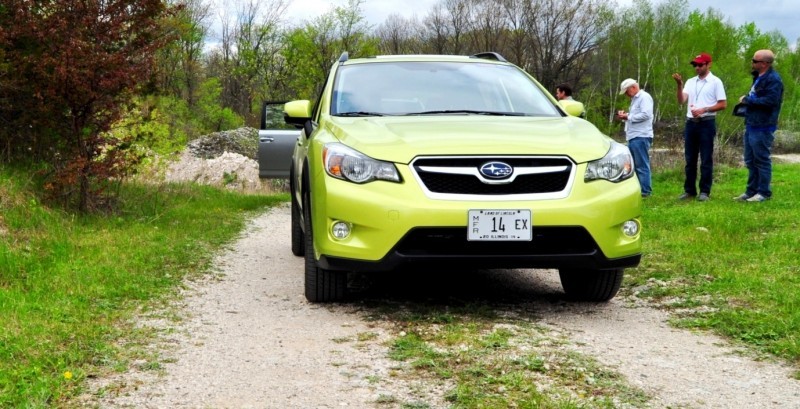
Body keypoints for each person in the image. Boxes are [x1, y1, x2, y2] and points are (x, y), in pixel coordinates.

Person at [671, 52, 727, 202]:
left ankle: (705, 191)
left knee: (706, 158)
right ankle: (689, 190)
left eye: (700, 65)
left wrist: (704, 109)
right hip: (691, 123)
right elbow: (681, 100)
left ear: (709, 64)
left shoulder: (715, 82)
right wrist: (679, 85)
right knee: (690, 159)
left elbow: (723, 104)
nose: (697, 67)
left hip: (706, 123)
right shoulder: (690, 81)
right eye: (695, 64)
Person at [733, 49, 784, 202]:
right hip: (751, 122)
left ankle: (763, 193)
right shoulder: (758, 77)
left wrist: (747, 100)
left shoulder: (773, 79)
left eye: (755, 61)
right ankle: (751, 191)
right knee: (750, 159)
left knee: (761, 159)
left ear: (764, 64)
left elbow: (771, 101)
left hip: (763, 125)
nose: (752, 63)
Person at [616, 78, 654, 197]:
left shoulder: (644, 97)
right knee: (634, 165)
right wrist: (626, 116)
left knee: (641, 165)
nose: (627, 95)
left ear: (633, 87)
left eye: (627, 91)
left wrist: (628, 117)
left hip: (641, 135)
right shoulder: (635, 99)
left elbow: (646, 115)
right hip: (634, 136)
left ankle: (645, 191)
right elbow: (636, 116)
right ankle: (640, 189)